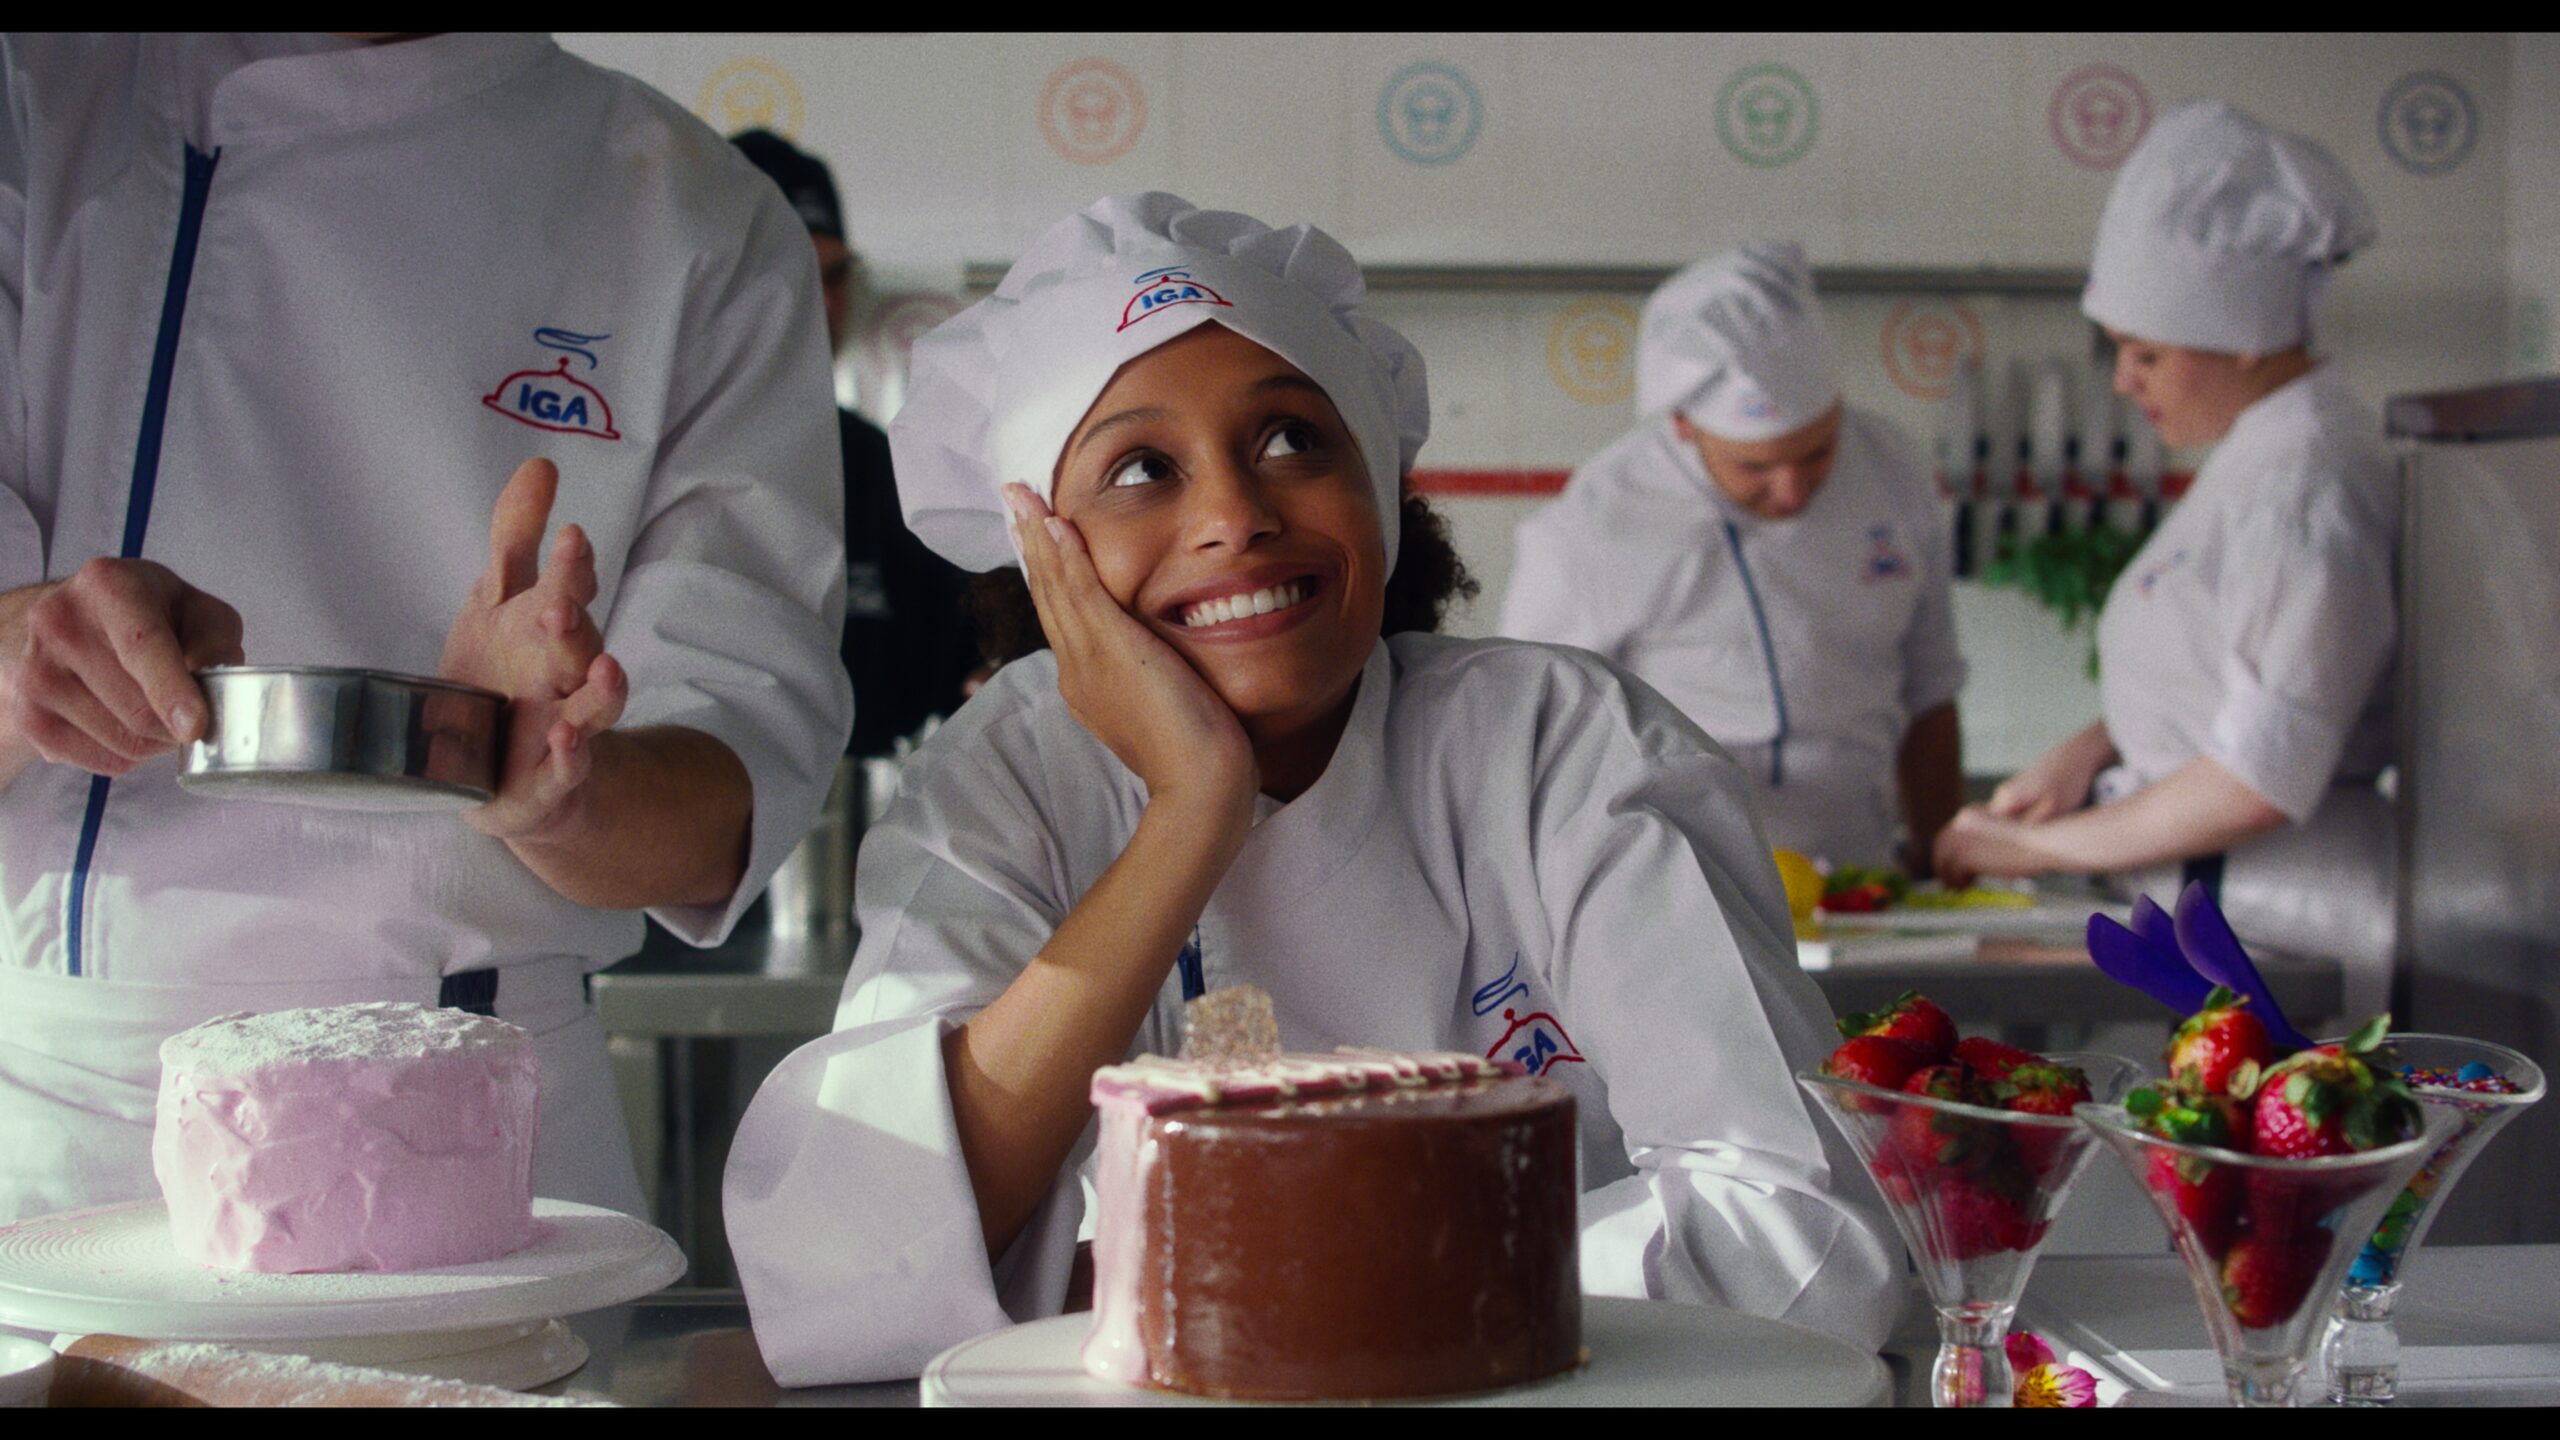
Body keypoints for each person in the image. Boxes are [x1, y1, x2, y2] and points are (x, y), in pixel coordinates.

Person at [721, 193, 1897, 1386]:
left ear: (1378, 485)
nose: (1235, 516)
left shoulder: (1563, 747)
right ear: (1046, 554)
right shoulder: (1005, 781)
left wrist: (1263, 1285)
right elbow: (852, 1269)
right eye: (1140, 468)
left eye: (1291, 439)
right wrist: (1191, 811)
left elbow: (1811, 1237)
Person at [0, 33, 852, 1224]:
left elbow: (722, 803)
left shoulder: (688, 209)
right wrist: (21, 660)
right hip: (52, 1117)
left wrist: (563, 791)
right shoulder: (37, 107)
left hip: (473, 1113)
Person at [1932, 101, 2397, 1000]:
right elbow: (2237, 677)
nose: (2122, 381)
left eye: (2146, 355)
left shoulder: (2306, 489)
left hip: (2285, 921)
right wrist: (2094, 749)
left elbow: (2257, 780)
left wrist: (2033, 847)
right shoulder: (2257, 460)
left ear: (2244, 339)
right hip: (2227, 911)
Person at [1500, 243, 1966, 873]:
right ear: (1684, 425)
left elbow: (1931, 686)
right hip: (1677, 878)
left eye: (1817, 452)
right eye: (1755, 466)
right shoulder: (1592, 526)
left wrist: (1942, 861)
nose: (1792, 490)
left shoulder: (1894, 470)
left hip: (1860, 871)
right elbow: (1534, 731)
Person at [730, 129, 977, 756]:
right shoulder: (647, 462)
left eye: (836, 276)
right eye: (791, 271)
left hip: (877, 806)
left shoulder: (892, 468)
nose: (822, 303)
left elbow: (966, 671)